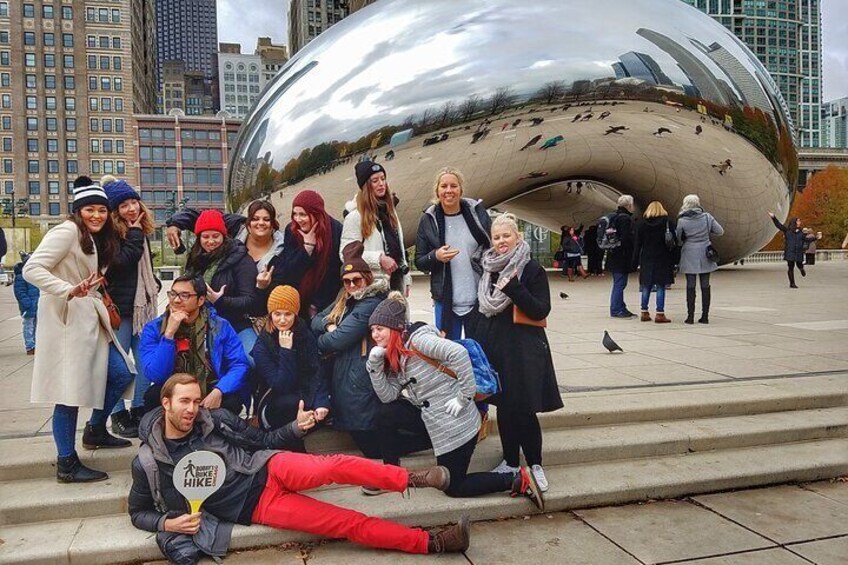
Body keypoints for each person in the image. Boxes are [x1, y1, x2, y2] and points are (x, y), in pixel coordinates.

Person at [128, 373, 471, 563]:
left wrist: (296, 427)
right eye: (184, 402)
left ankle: (412, 478)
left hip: (268, 466)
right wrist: (167, 521)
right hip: (257, 505)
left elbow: (262, 440)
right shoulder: (147, 461)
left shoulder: (215, 420)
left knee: (335, 465)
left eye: (196, 401)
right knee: (345, 522)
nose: (192, 409)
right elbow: (138, 512)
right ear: (166, 403)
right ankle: (433, 543)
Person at [366, 293, 544, 508]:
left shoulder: (420, 341)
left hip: (456, 422)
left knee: (454, 486)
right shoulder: (394, 353)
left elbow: (458, 353)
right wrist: (374, 366)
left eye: (379, 329)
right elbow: (388, 396)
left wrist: (464, 397)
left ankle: (517, 480)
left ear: (395, 328)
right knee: (385, 413)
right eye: (372, 330)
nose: (374, 335)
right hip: (431, 417)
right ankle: (391, 474)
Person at [23, 181, 136, 483]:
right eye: (90, 210)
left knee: (123, 373)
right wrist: (68, 290)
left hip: (91, 316)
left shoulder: (99, 237)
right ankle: (66, 463)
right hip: (68, 319)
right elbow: (31, 269)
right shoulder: (66, 231)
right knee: (68, 392)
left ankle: (96, 429)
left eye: (101, 209)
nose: (97, 215)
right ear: (78, 211)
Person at [466, 213, 563, 493]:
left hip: (524, 351)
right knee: (506, 409)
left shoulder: (531, 269)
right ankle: (509, 462)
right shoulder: (488, 269)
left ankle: (535, 464)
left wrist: (514, 288)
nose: (501, 242)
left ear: (517, 236)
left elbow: (540, 309)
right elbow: (482, 310)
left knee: (524, 409)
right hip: (497, 351)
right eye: (496, 237)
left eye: (506, 236)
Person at [166, 195, 343, 320]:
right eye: (256, 219)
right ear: (248, 222)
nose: (260, 223)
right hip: (225, 311)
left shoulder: (282, 250)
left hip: (257, 312)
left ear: (273, 224)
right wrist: (175, 223)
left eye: (266, 220)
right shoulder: (237, 229)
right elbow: (206, 219)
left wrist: (262, 286)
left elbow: (287, 280)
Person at [312, 241, 388, 463]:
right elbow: (316, 320)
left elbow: (335, 341)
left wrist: (326, 336)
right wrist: (328, 326)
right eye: (346, 281)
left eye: (356, 280)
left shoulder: (370, 302)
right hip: (346, 376)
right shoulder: (344, 299)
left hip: (359, 380)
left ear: (367, 278)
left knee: (371, 447)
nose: (352, 285)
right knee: (364, 439)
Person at [139, 275, 250, 415]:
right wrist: (169, 335)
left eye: (184, 295)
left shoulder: (219, 326)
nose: (176, 300)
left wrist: (219, 390)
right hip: (175, 387)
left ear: (201, 300)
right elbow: (156, 375)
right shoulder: (154, 328)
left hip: (211, 385)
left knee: (231, 401)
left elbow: (239, 364)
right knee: (153, 396)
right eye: (173, 294)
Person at [101, 178, 160, 438]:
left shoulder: (140, 231)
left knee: (145, 361)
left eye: (134, 202)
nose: (132, 208)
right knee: (119, 367)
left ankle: (139, 408)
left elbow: (142, 268)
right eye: (123, 205)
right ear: (115, 211)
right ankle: (117, 415)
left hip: (142, 308)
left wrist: (153, 283)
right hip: (120, 309)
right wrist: (135, 234)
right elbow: (123, 262)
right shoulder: (110, 235)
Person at [414, 167, 491, 339]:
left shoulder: (476, 212)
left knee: (482, 353)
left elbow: (492, 247)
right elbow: (419, 261)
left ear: (461, 190)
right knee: (449, 355)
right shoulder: (428, 218)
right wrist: (436, 256)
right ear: (437, 191)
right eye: (444, 186)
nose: (449, 190)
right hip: (445, 301)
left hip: (479, 299)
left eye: (453, 186)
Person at [251, 285, 330, 443]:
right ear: (270, 314)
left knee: (326, 406)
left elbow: (316, 370)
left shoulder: (304, 333)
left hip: (302, 394)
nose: (282, 320)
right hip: (275, 402)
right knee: (290, 403)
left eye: (288, 314)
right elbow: (281, 385)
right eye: (277, 314)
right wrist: (286, 350)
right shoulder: (262, 345)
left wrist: (322, 402)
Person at [184, 210, 258, 354]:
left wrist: (220, 300)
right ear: (198, 238)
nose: (210, 241)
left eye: (215, 236)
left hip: (235, 323)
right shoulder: (195, 259)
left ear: (224, 236)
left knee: (252, 358)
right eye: (205, 236)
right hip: (199, 323)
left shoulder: (241, 259)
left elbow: (250, 300)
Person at [341, 161, 411, 294]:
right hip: (373, 287)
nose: (381, 183)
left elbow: (400, 248)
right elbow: (346, 254)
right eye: (375, 180)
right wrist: (379, 259)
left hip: (396, 282)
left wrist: (406, 279)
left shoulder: (390, 212)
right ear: (366, 186)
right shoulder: (355, 217)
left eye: (383, 179)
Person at [676, 195, 724, 323]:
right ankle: (705, 316)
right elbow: (720, 231)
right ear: (698, 204)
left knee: (690, 285)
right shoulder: (707, 217)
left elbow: (679, 240)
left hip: (689, 253)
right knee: (705, 285)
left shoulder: (682, 220)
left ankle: (690, 316)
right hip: (705, 252)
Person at [634, 201, 675, 323]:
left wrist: (635, 260)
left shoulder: (642, 224)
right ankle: (660, 313)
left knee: (646, 285)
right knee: (661, 285)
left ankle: (644, 312)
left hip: (647, 257)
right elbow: (673, 241)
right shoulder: (667, 223)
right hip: (663, 258)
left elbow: (638, 243)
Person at [768, 212, 820, 288]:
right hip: (790, 252)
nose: (800, 222)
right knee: (790, 267)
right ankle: (792, 283)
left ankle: (801, 269)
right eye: (798, 221)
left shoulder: (801, 233)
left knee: (799, 264)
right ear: (794, 222)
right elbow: (779, 225)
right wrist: (773, 217)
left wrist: (816, 238)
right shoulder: (787, 231)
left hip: (798, 252)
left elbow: (806, 239)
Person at [606, 195, 636, 318]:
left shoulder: (613, 217)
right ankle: (616, 309)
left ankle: (620, 306)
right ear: (629, 205)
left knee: (618, 283)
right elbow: (625, 239)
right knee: (620, 284)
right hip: (621, 257)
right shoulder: (625, 219)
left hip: (613, 254)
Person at [13, 252, 39, 354]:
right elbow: (20, 292)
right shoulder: (21, 276)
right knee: (28, 326)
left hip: (36, 304)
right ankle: (30, 346)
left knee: (36, 326)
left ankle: (36, 344)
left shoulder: (34, 275)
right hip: (29, 306)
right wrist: (27, 304)